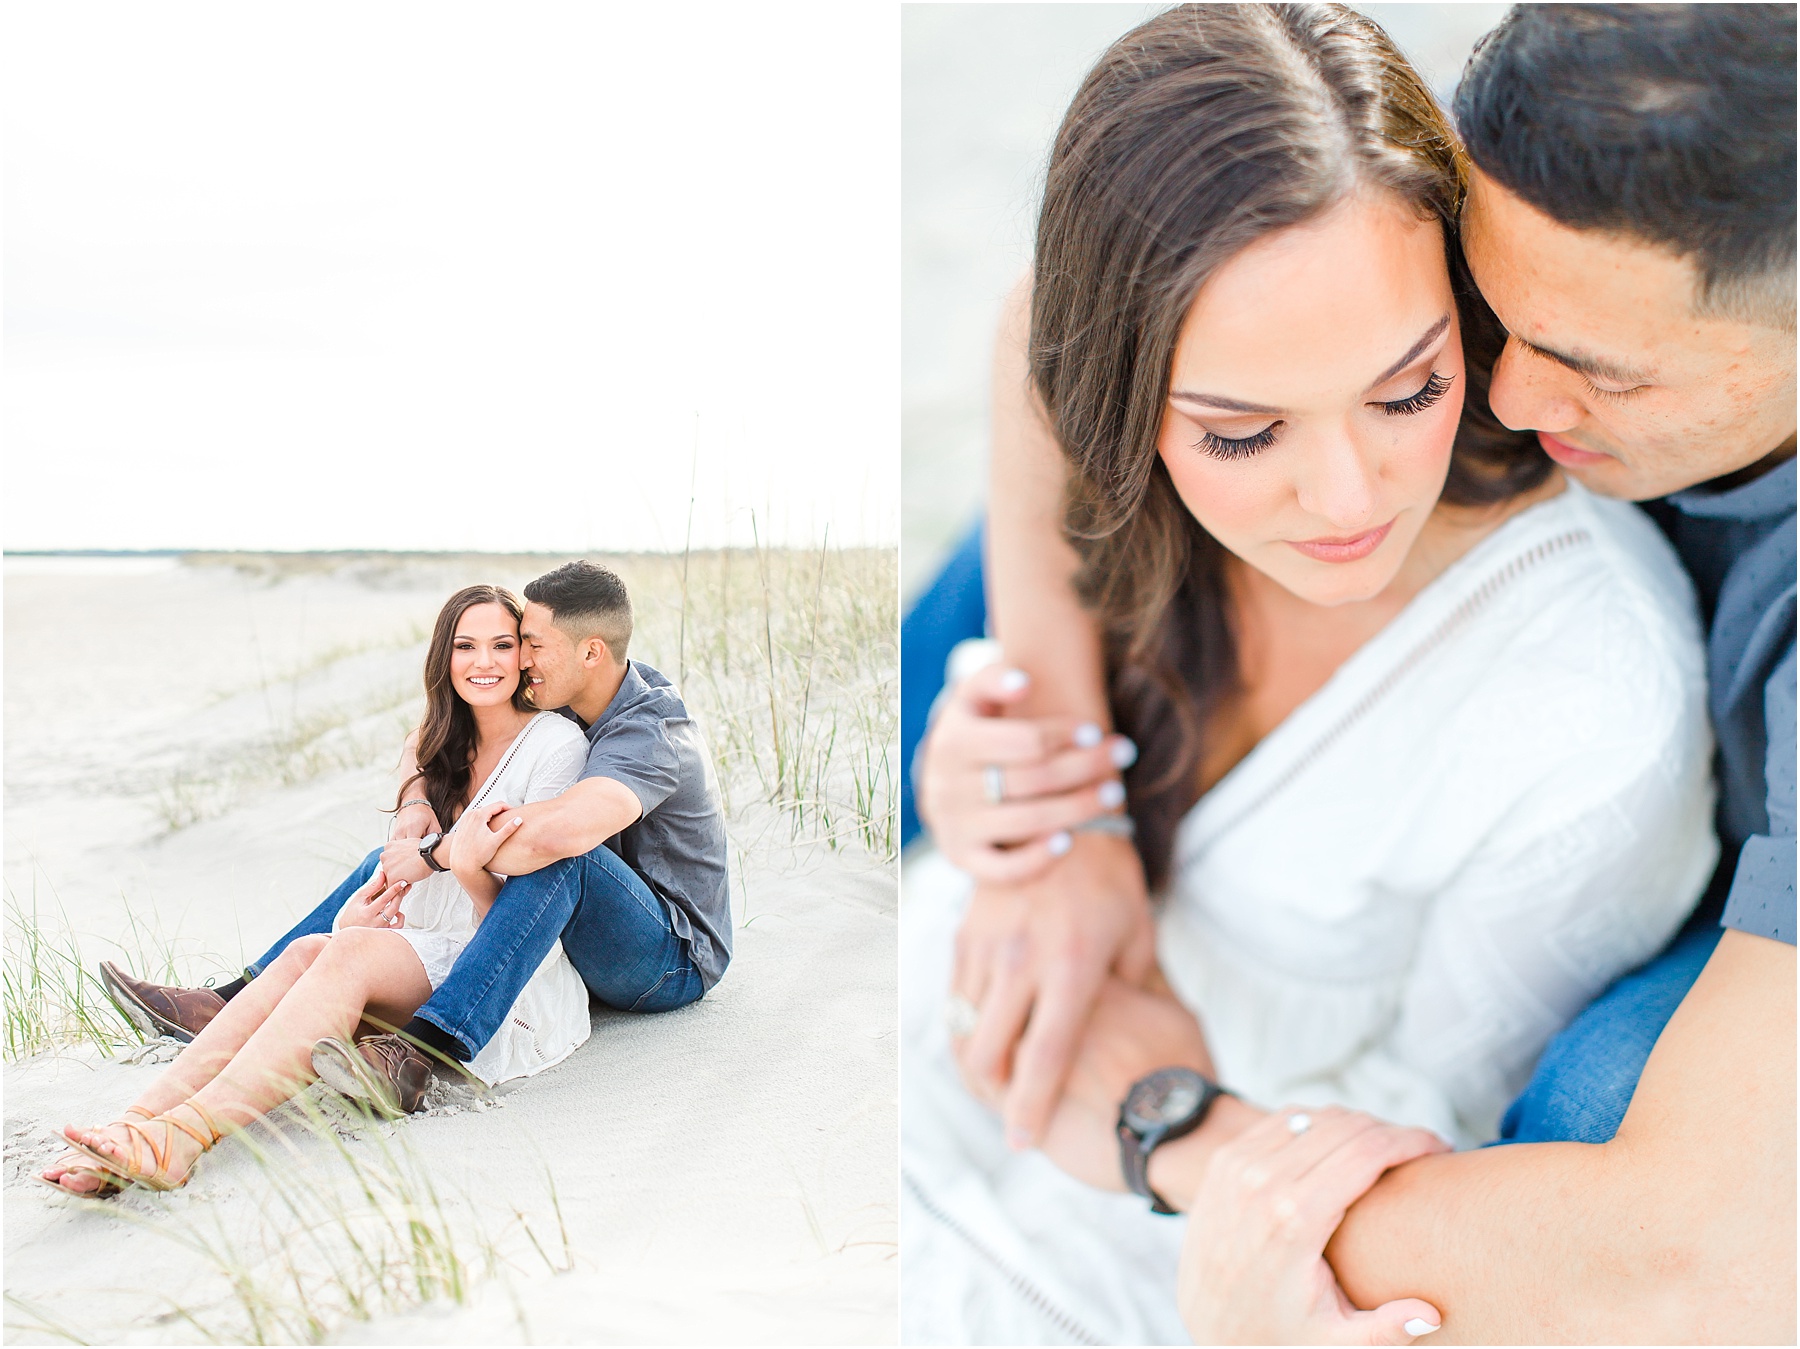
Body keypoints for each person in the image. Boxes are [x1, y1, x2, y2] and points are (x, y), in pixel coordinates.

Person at [913, 3, 1795, 1342]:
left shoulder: (1594, 698)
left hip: (1238, 1166)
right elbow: (1058, 315)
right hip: (974, 1030)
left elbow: (1695, 1252)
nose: (1507, 403)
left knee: (1599, 1101)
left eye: (1409, 389)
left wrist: (1175, 1133)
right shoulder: (1488, 210)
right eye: (1493, 325)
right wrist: (1058, 795)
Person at [65, 560, 730, 1149]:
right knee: (384, 868)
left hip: (667, 955)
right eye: (510, 642)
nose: (520, 659)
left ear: (591, 652)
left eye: (530, 644)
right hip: (578, 926)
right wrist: (416, 817)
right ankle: (238, 998)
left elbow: (558, 836)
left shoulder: (648, 729)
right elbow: (440, 731)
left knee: (560, 854)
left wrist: (444, 854)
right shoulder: (576, 690)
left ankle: (429, 1046)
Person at [42, 585, 595, 1194]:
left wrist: (455, 867)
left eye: (502, 645)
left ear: (525, 656)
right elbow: (412, 848)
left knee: (343, 951)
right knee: (312, 950)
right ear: (444, 658)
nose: (484, 662)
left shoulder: (555, 746)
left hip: (499, 982)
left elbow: (525, 916)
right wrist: (370, 913)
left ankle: (182, 1137)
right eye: (466, 646)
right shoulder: (441, 744)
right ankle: (135, 1124)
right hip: (423, 948)